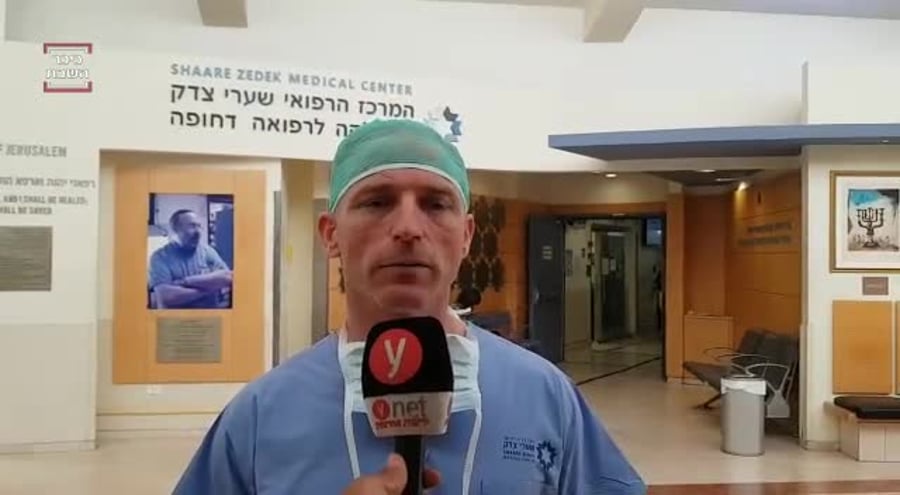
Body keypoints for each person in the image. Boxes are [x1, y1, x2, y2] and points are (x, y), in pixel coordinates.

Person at [172, 119, 646, 494]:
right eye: (377, 202)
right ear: (330, 234)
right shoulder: (260, 416)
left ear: (466, 236)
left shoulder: (545, 396)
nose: (408, 228)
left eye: (436, 204)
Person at [148, 209, 233, 309]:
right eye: (192, 226)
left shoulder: (208, 251)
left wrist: (185, 282)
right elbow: (167, 297)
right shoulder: (160, 257)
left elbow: (228, 277)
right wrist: (210, 288)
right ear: (175, 229)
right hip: (176, 318)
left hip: (209, 317)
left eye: (199, 226)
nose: (198, 231)